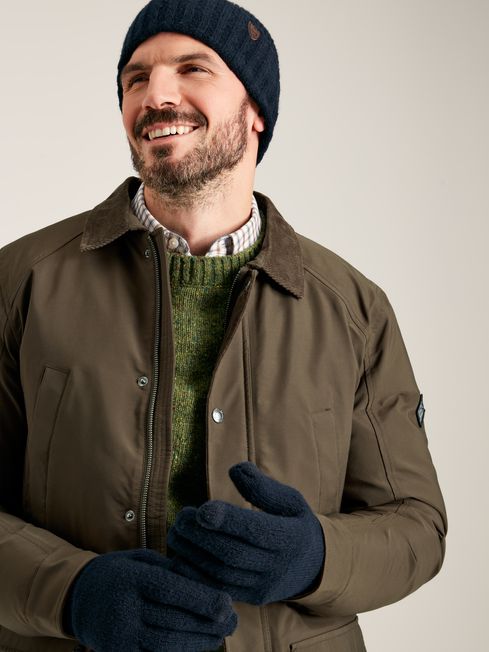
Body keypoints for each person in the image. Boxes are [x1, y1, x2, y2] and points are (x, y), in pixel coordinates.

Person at [0, 0, 448, 650]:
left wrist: (316, 557)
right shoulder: (20, 281)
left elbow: (416, 528)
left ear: (255, 109)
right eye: (135, 78)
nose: (155, 94)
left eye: (192, 68)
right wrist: (70, 593)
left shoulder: (353, 308)